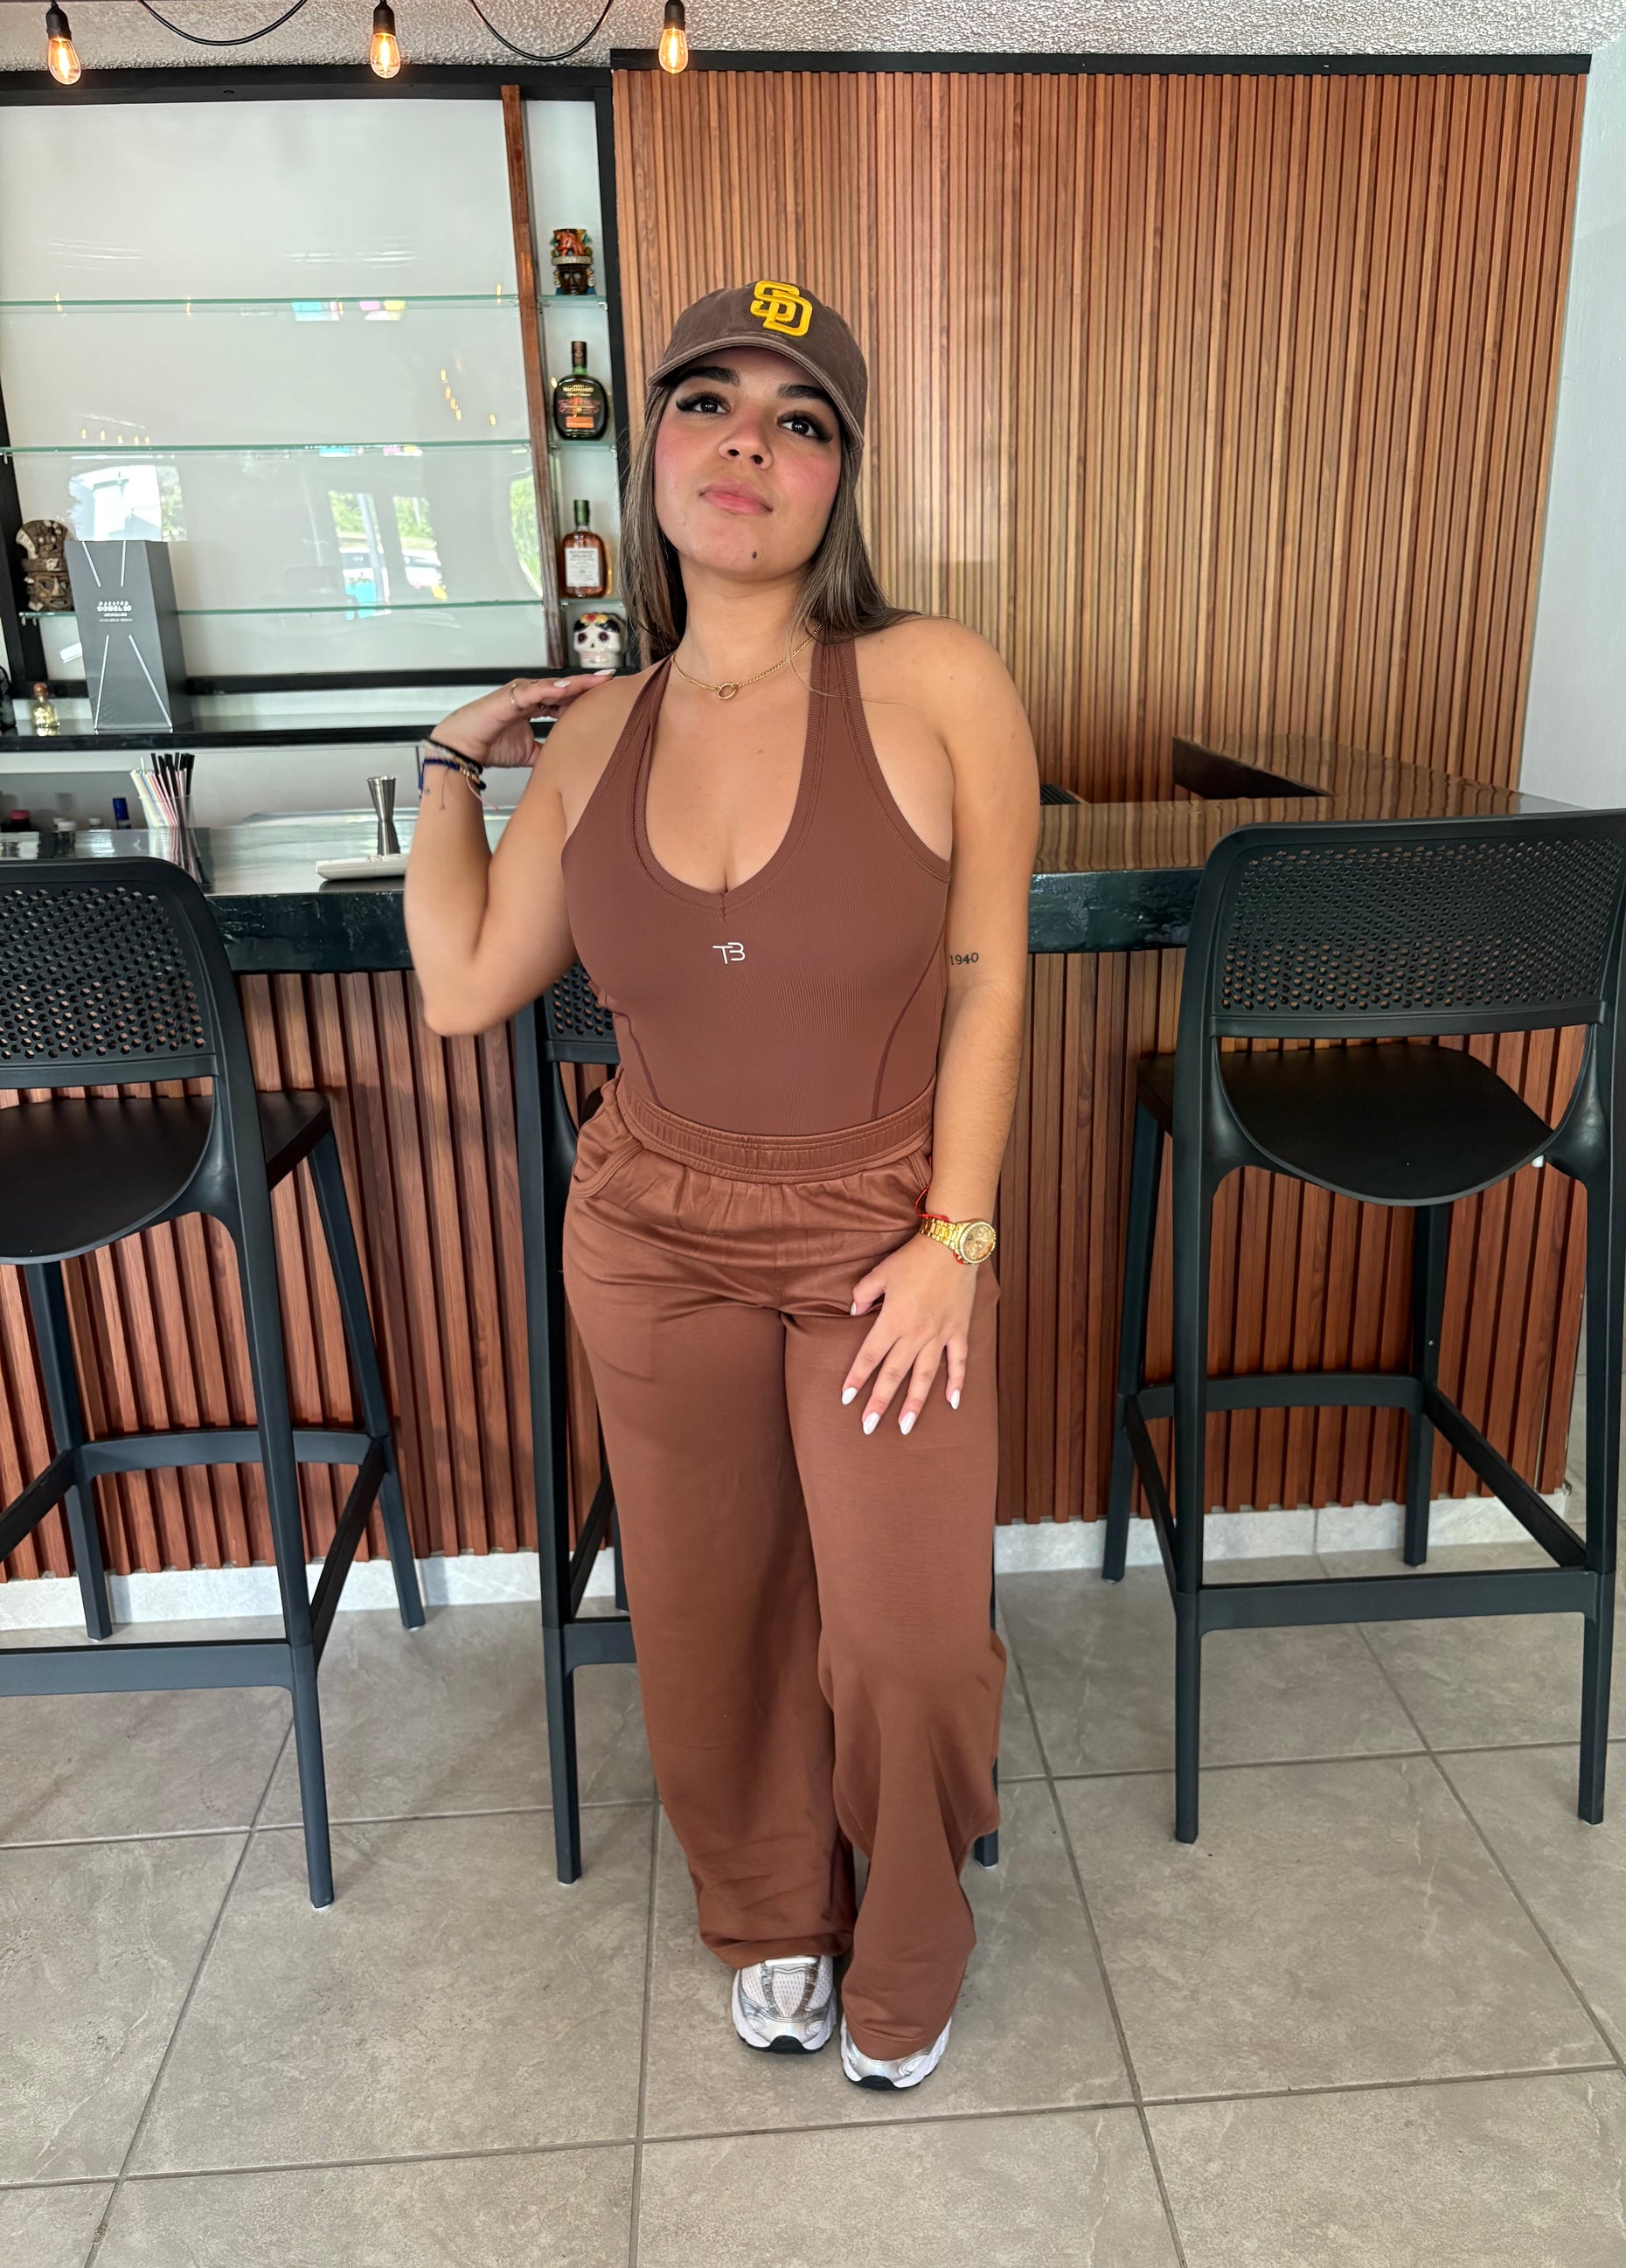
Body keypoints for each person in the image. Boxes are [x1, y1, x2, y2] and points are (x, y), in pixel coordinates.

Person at [405, 281, 1039, 2090]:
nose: (748, 441)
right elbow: (464, 984)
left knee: (907, 1636)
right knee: (706, 1606)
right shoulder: (596, 733)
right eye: (707, 402)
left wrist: (956, 1235)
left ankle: (909, 1933)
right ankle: (766, 1907)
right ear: (655, 452)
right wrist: (451, 764)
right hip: (650, 1233)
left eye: (799, 418)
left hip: (881, 1226)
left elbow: (991, 978)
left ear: (838, 478)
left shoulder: (936, 678)